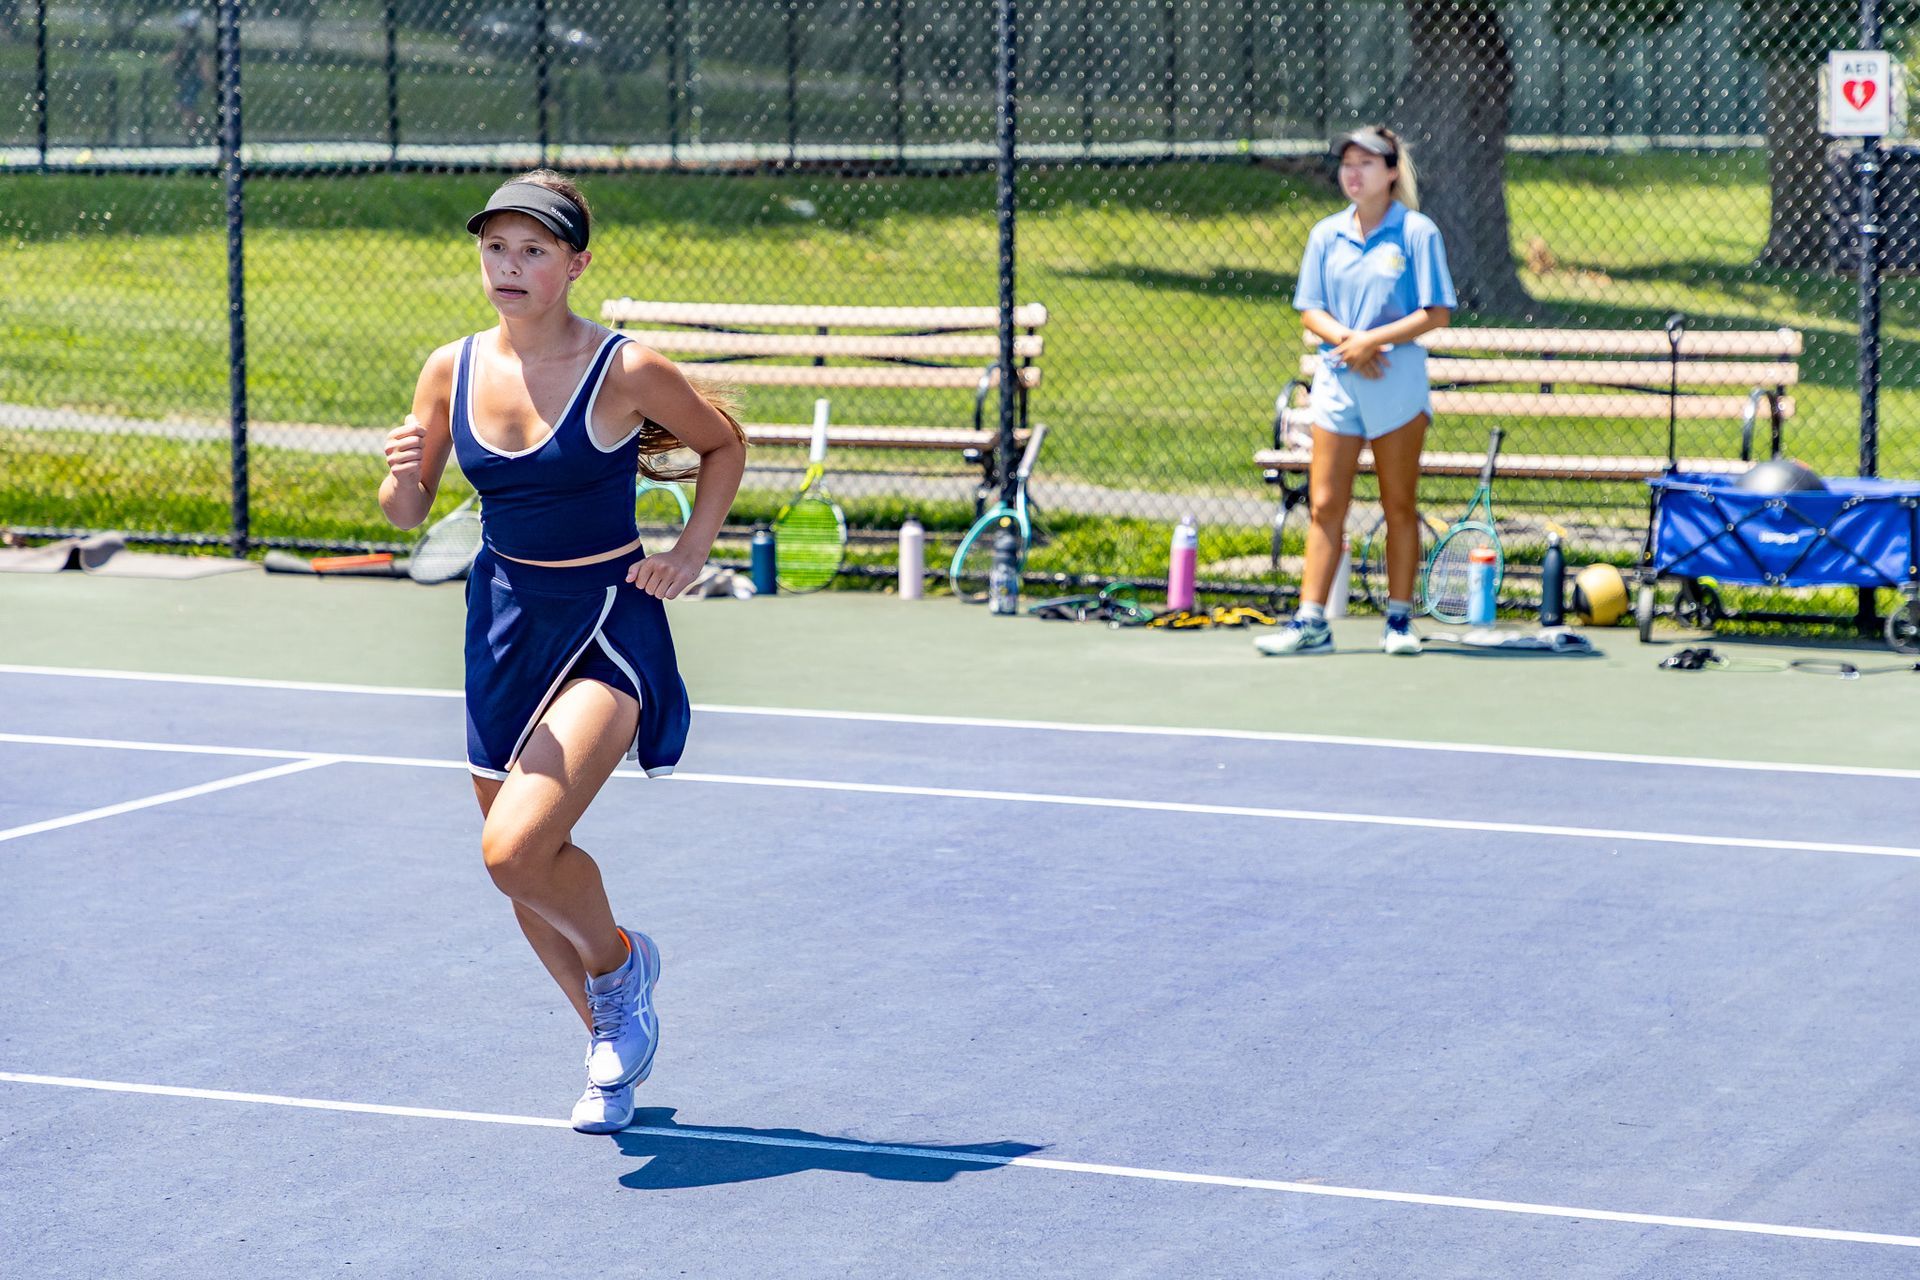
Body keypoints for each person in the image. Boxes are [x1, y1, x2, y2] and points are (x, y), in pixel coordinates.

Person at [379, 171, 748, 1134]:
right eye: (496, 247)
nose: (509, 266)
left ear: (575, 265)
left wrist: (690, 553)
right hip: (501, 624)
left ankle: (621, 969)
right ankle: (608, 1048)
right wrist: (398, 484)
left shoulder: (627, 370)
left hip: (606, 621)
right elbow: (409, 512)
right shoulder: (447, 368)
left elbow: (724, 443)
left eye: (534, 250)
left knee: (512, 850)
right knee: (522, 873)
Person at [1257, 125, 1456, 658]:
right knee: (1325, 505)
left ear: (1391, 173)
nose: (1353, 171)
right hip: (1338, 383)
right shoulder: (1325, 234)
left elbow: (1436, 311)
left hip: (1398, 385)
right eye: (1347, 162)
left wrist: (1374, 341)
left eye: (1366, 163)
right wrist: (1350, 343)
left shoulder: (1418, 232)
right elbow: (1310, 308)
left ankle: (1398, 622)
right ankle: (1311, 622)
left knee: (1398, 504)